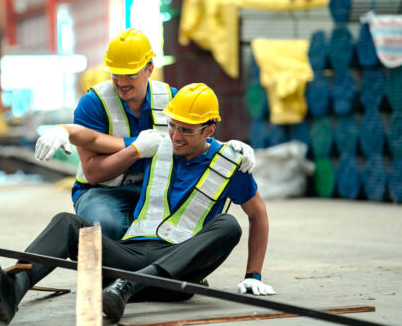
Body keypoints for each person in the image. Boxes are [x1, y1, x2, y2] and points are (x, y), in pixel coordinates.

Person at [0, 82, 274, 326]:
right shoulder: (158, 145)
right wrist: (63, 131)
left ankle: (127, 288)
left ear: (209, 130)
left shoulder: (229, 164)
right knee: (66, 222)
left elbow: (257, 215)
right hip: (131, 255)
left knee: (228, 225)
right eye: (173, 126)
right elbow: (97, 141)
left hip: (178, 274)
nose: (176, 136)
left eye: (186, 130)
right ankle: (11, 291)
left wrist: (253, 275)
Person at [35, 28, 256, 240]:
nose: (121, 83)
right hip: (101, 192)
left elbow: (193, 139)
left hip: (157, 189)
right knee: (107, 226)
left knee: (188, 224)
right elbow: (93, 173)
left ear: (149, 69)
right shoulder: (93, 104)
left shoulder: (171, 97)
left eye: (130, 75)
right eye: (115, 75)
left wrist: (228, 147)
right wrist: (135, 151)